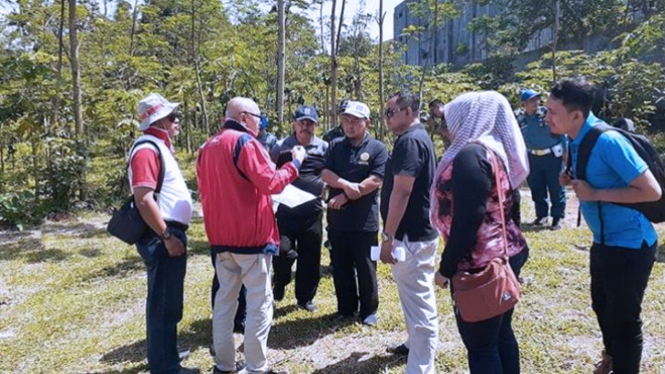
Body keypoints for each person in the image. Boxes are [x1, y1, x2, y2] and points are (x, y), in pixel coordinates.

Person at [550, 79, 661, 374]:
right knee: (602, 307)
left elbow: (652, 191)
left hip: (631, 245)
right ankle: (612, 357)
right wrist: (569, 177)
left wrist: (595, 193)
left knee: (625, 319)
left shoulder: (609, 142)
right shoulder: (575, 138)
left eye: (552, 111)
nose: (546, 117)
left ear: (577, 115)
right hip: (604, 241)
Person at [197, 97, 304, 374]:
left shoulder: (207, 147)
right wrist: (294, 165)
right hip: (251, 239)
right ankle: (257, 367)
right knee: (258, 303)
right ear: (244, 118)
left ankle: (224, 365)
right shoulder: (246, 144)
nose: (261, 123)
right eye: (260, 118)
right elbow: (271, 182)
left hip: (222, 238)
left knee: (225, 302)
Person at [431, 91, 530, 374]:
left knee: (481, 345)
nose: (447, 130)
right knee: (500, 335)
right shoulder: (495, 151)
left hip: (478, 264)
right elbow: (513, 205)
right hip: (502, 255)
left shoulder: (470, 156)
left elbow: (469, 219)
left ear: (467, 119)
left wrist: (446, 268)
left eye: (451, 121)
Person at [129, 93, 195, 374]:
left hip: (166, 232)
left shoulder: (158, 146)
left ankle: (167, 357)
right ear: (159, 121)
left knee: (169, 302)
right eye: (172, 117)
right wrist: (167, 236)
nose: (176, 121)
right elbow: (144, 199)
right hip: (161, 235)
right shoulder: (146, 149)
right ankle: (166, 367)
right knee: (163, 304)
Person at [378, 91, 440, 374]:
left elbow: (402, 191)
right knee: (414, 300)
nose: (387, 117)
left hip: (411, 237)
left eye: (391, 112)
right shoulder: (413, 139)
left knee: (421, 307)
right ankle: (412, 346)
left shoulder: (411, 142)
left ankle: (421, 368)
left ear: (408, 111)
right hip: (415, 234)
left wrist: (388, 237)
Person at [322, 100, 388, 325]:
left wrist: (348, 194)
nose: (349, 125)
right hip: (337, 219)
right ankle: (346, 308)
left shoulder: (377, 148)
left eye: (355, 121)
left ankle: (369, 310)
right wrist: (344, 184)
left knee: (366, 266)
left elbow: (376, 179)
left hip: (364, 221)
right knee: (340, 265)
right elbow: (325, 173)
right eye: (346, 120)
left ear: (367, 122)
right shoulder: (335, 145)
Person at [269, 105, 328, 312]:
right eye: (301, 122)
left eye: (309, 123)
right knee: (283, 251)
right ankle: (281, 280)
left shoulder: (324, 148)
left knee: (310, 256)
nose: (305, 127)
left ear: (315, 125)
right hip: (286, 209)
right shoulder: (281, 146)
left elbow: (328, 174)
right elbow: (270, 171)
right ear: (294, 124)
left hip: (312, 210)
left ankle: (305, 298)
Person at [518, 88, 567, 229]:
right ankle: (542, 215)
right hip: (533, 157)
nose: (535, 103)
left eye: (537, 99)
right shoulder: (521, 120)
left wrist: (565, 152)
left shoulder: (547, 115)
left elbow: (561, 132)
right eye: (531, 100)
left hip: (552, 156)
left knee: (556, 187)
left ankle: (557, 217)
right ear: (524, 104)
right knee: (536, 187)